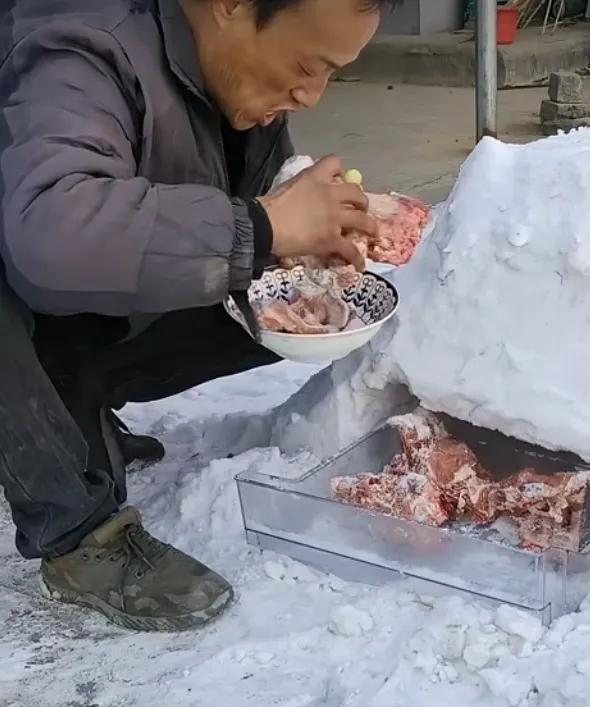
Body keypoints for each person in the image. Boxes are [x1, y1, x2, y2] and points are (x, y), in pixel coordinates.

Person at [0, 0, 395, 632]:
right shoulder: (83, 44)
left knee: (289, 301)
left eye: (332, 73)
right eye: (306, 64)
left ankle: (74, 394)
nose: (313, 95)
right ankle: (75, 530)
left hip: (48, 286)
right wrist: (265, 225)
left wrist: (298, 239)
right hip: (24, 260)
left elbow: (226, 240)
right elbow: (51, 230)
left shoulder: (232, 81)